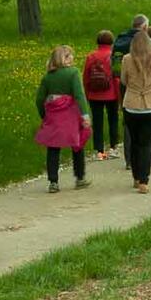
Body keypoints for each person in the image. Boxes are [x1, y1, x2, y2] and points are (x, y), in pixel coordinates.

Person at [35, 46, 92, 193]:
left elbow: (39, 98)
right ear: (64, 58)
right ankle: (80, 178)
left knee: (53, 148)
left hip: (54, 114)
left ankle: (53, 181)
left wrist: (44, 114)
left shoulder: (48, 76)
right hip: (71, 114)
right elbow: (79, 95)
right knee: (77, 145)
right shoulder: (73, 73)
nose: (72, 57)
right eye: (69, 55)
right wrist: (85, 115)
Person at [120, 30, 151, 193]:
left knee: (134, 142)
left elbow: (124, 80)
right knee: (145, 143)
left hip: (132, 104)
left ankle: (136, 176)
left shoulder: (127, 59)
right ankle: (144, 179)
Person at [82, 30, 120, 160]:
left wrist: (87, 93)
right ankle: (113, 147)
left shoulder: (91, 56)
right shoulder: (113, 56)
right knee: (113, 120)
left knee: (97, 122)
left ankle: (99, 151)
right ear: (112, 42)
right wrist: (119, 95)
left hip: (95, 94)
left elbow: (86, 77)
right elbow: (116, 77)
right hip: (111, 94)